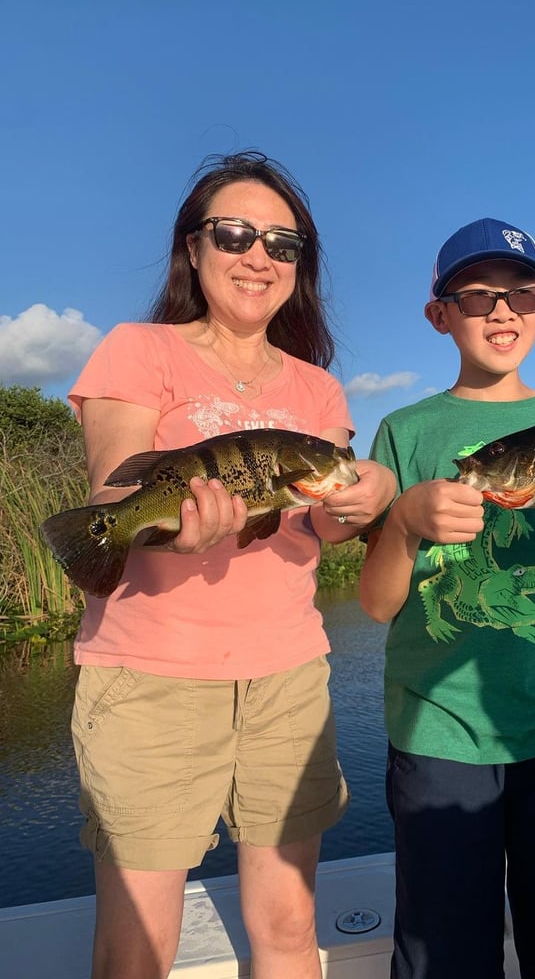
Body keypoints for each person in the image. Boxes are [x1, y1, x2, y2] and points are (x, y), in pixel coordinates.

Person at [67, 151, 396, 979]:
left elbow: (326, 526)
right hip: (150, 680)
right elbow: (117, 484)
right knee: (138, 945)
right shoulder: (136, 349)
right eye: (235, 233)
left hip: (288, 675)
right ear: (193, 247)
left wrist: (366, 498)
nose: (258, 256)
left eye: (283, 244)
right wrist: (176, 530)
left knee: (289, 925)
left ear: (300, 268)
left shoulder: (319, 391)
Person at [359, 218, 535, 979]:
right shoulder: (405, 430)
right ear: (440, 314)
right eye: (479, 296)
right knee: (443, 952)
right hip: (439, 735)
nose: (502, 312)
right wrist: (402, 523)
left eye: (523, 295)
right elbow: (377, 605)